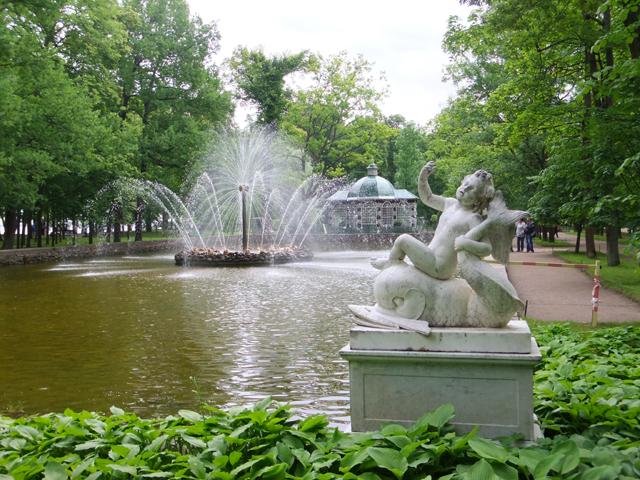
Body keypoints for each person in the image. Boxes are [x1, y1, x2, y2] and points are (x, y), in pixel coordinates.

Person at [372, 162, 494, 280]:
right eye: (465, 184)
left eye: (471, 189)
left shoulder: (473, 217)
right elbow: (428, 198)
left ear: (478, 200)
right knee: (404, 243)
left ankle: (390, 264)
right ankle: (393, 262)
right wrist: (422, 179)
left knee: (403, 240)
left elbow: (487, 248)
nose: (465, 188)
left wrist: (465, 244)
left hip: (441, 267)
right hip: (430, 256)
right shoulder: (449, 203)